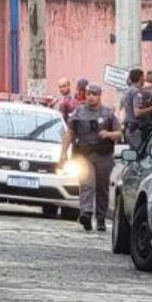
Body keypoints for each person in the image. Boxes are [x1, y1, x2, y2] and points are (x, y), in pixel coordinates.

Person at [60, 84, 122, 232]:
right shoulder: (78, 112)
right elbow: (70, 132)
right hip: (84, 154)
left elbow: (119, 133)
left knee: (102, 187)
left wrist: (108, 134)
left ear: (99, 96)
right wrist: (63, 152)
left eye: (94, 94)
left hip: (103, 155)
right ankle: (86, 214)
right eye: (88, 94)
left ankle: (100, 218)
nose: (91, 97)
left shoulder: (108, 113)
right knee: (87, 183)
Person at [121, 68, 145, 149]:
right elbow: (137, 113)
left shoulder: (126, 92)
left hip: (129, 128)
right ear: (141, 78)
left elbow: (122, 111)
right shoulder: (136, 92)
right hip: (135, 130)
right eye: (143, 77)